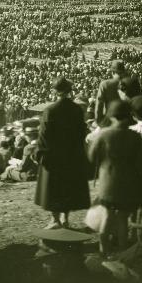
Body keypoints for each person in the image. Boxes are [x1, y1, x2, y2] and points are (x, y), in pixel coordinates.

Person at [87, 100, 142, 255]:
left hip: (108, 181)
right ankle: (122, 251)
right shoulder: (135, 136)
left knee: (106, 215)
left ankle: (103, 249)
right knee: (122, 218)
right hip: (128, 181)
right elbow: (140, 160)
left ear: (112, 116)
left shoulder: (103, 134)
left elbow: (92, 157)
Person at [34, 78, 91, 229]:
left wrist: (40, 153)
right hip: (72, 153)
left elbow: (44, 134)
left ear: (54, 91)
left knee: (54, 187)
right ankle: (65, 219)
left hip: (54, 153)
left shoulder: (50, 110)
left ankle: (55, 220)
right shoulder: (77, 109)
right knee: (68, 185)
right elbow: (81, 131)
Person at [94, 60, 128, 125]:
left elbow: (99, 104)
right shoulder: (129, 83)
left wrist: (99, 121)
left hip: (109, 120)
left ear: (112, 72)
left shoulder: (105, 84)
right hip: (126, 121)